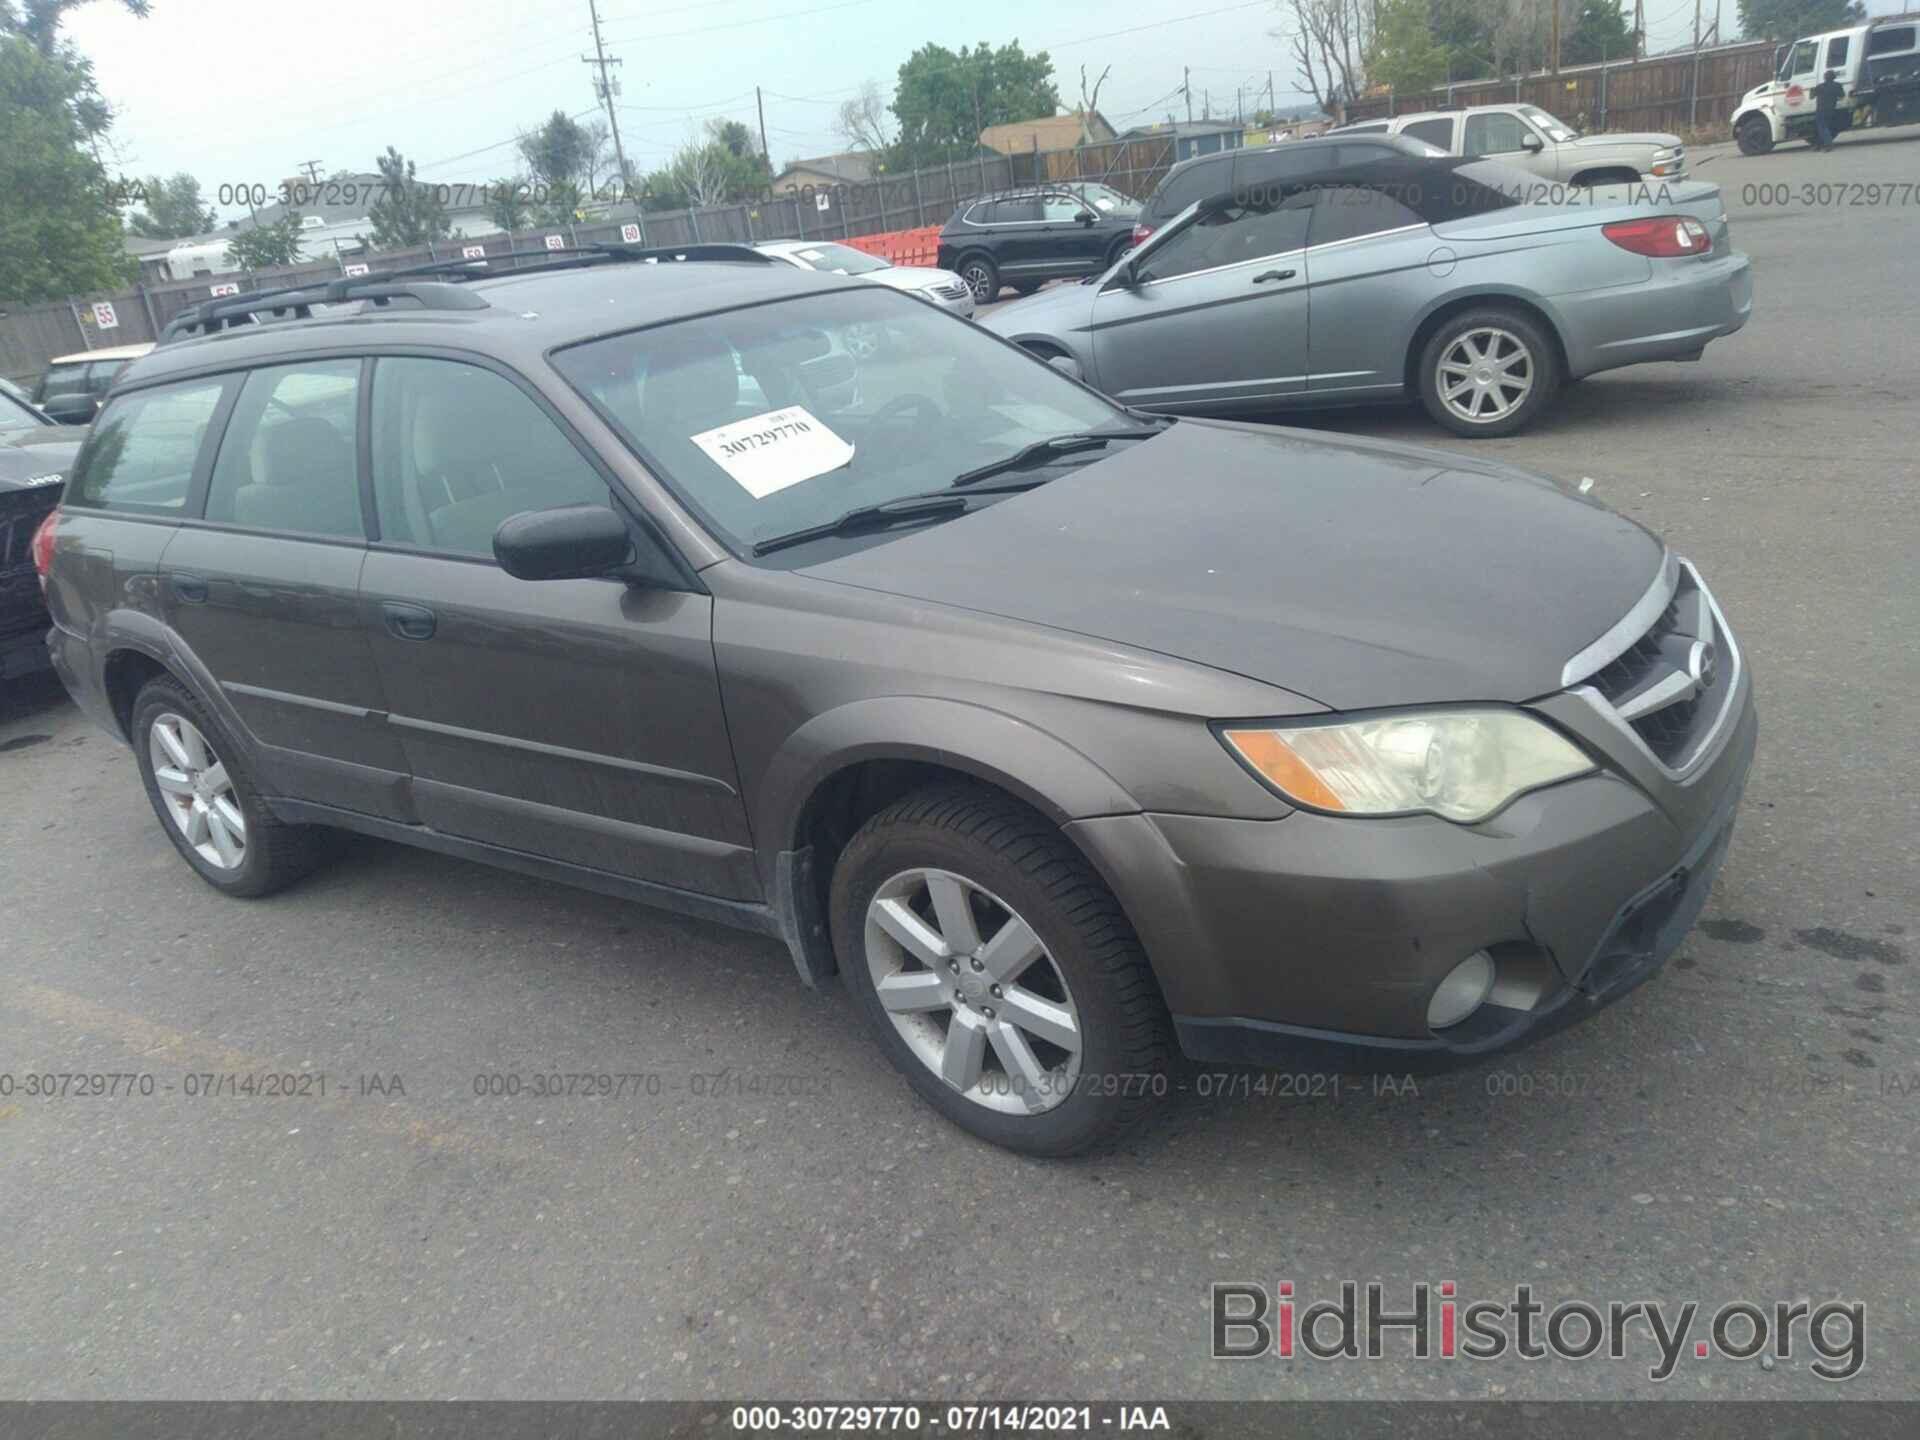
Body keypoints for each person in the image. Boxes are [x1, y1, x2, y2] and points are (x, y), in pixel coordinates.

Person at [1812, 68, 1846, 151]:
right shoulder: (1837, 85)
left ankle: (1828, 145)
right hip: (1831, 110)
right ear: (1834, 77)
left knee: (1822, 128)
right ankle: (1818, 145)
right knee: (1825, 127)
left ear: (1825, 77)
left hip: (1821, 110)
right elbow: (1842, 96)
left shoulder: (1820, 86)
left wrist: (1812, 90)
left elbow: (1811, 96)